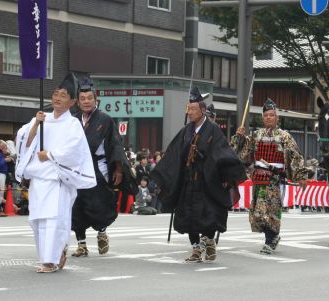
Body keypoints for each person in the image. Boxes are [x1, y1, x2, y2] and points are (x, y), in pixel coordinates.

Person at [151, 86, 247, 263]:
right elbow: (172, 155)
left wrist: (227, 177)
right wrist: (163, 177)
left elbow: (223, 153)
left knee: (208, 216)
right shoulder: (185, 131)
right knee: (188, 217)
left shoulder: (213, 130)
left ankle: (209, 240)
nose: (190, 112)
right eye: (188, 109)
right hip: (188, 181)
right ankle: (196, 248)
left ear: (203, 110)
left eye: (193, 109)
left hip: (207, 182)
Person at [15, 73, 96, 273]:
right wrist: (36, 124)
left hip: (57, 178)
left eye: (63, 95)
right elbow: (23, 140)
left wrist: (50, 155)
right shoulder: (43, 118)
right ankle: (54, 253)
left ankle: (50, 261)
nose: (57, 98)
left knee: (54, 220)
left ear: (72, 102)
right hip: (39, 179)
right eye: (55, 94)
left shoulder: (72, 124)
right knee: (38, 221)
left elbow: (74, 151)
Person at [231, 98, 313, 254]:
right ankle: (272, 237)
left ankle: (271, 239)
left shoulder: (284, 137)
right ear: (263, 118)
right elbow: (243, 153)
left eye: (271, 115)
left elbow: (295, 156)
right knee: (258, 212)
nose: (268, 118)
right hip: (258, 177)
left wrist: (301, 175)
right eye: (266, 115)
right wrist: (239, 138)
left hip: (274, 178)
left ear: (277, 118)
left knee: (270, 210)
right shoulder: (256, 135)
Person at [71, 76, 136, 258]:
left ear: (95, 100)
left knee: (98, 204)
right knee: (76, 206)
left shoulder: (105, 119)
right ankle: (81, 244)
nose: (86, 101)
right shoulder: (73, 120)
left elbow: (116, 144)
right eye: (82, 99)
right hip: (77, 168)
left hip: (98, 167)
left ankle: (101, 231)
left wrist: (118, 169)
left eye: (89, 98)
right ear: (77, 101)